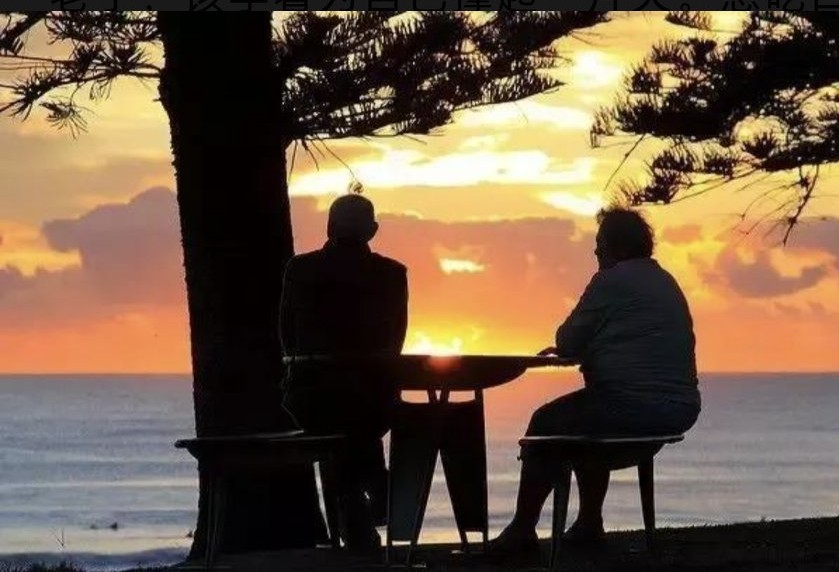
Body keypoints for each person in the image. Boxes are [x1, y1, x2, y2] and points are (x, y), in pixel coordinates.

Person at [491, 206, 701, 554]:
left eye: (600, 243)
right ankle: (589, 523)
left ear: (617, 247)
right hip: (679, 409)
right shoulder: (665, 281)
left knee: (545, 422)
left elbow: (567, 340)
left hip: (632, 408)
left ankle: (522, 530)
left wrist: (582, 346)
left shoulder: (611, 281)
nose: (595, 251)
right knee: (588, 413)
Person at [279, 190, 408, 550]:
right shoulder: (392, 274)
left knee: (335, 429)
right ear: (373, 230)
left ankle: (360, 518)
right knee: (356, 429)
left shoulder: (300, 269)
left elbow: (287, 334)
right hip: (372, 400)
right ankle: (374, 494)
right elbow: (395, 338)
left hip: (311, 395)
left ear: (328, 226)